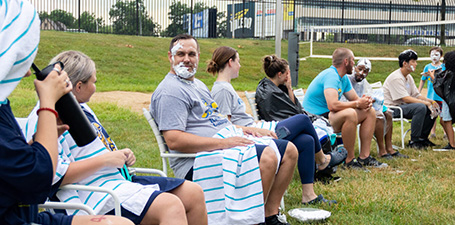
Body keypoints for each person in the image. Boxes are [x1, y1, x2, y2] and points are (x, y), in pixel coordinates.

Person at [25, 51, 208, 225]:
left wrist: (119, 155)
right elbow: (53, 177)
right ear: (78, 86)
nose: (95, 88)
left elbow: (95, 149)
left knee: (193, 192)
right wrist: (106, 160)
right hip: (94, 192)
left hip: (118, 179)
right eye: (93, 82)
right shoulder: (46, 118)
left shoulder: (81, 108)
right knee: (171, 206)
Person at [0, 0, 133, 224]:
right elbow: (38, 178)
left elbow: (14, 164)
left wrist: (38, 142)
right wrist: (47, 104)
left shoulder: (2, 104)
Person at [150, 34, 298, 225]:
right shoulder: (170, 91)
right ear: (170, 57)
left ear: (198, 56)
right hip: (198, 160)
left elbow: (219, 121)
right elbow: (174, 141)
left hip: (225, 143)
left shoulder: (198, 85)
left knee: (289, 151)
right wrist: (224, 143)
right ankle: (251, 221)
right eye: (180, 54)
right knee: (268, 156)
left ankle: (269, 216)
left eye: (191, 54)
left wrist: (246, 129)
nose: (186, 59)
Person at [209, 46, 344, 204]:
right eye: (238, 61)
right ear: (230, 62)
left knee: (307, 141)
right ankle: (323, 161)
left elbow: (238, 120)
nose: (240, 65)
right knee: (303, 119)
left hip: (257, 130)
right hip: (253, 137)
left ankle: (309, 195)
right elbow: (225, 128)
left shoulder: (226, 87)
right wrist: (255, 128)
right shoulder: (221, 90)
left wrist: (255, 123)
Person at [302, 48, 387, 170]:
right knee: (350, 114)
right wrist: (358, 104)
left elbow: (355, 99)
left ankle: (364, 157)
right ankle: (349, 160)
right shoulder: (331, 76)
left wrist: (364, 101)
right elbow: (333, 105)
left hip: (329, 115)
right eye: (353, 60)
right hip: (316, 119)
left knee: (369, 111)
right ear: (346, 62)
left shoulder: (343, 78)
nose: (354, 64)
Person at [342, 58, 408, 159]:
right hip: (350, 109)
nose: (362, 73)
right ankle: (382, 150)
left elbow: (369, 94)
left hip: (362, 107)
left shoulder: (363, 82)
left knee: (388, 113)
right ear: (355, 67)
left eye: (365, 71)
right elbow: (344, 101)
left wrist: (371, 100)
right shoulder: (347, 79)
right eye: (360, 69)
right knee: (378, 115)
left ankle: (389, 148)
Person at [383, 49, 439, 149]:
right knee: (420, 107)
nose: (416, 64)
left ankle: (423, 138)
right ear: (405, 63)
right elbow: (406, 99)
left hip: (404, 106)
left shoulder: (408, 77)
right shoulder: (396, 77)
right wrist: (425, 103)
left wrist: (431, 101)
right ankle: (414, 141)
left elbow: (416, 95)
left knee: (434, 107)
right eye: (413, 61)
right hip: (393, 109)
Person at [418, 47, 445, 139]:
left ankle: (445, 132)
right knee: (432, 115)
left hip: (441, 96)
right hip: (431, 96)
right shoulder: (427, 67)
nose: (434, 57)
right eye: (432, 54)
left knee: (443, 115)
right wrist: (419, 91)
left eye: (436, 55)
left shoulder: (443, 67)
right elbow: (423, 80)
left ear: (441, 56)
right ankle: (432, 133)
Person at [435, 50, 455, 150]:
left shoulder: (450, 74)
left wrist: (432, 76)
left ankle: (452, 144)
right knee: (442, 121)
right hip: (451, 101)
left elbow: (440, 85)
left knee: (447, 121)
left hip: (449, 101)